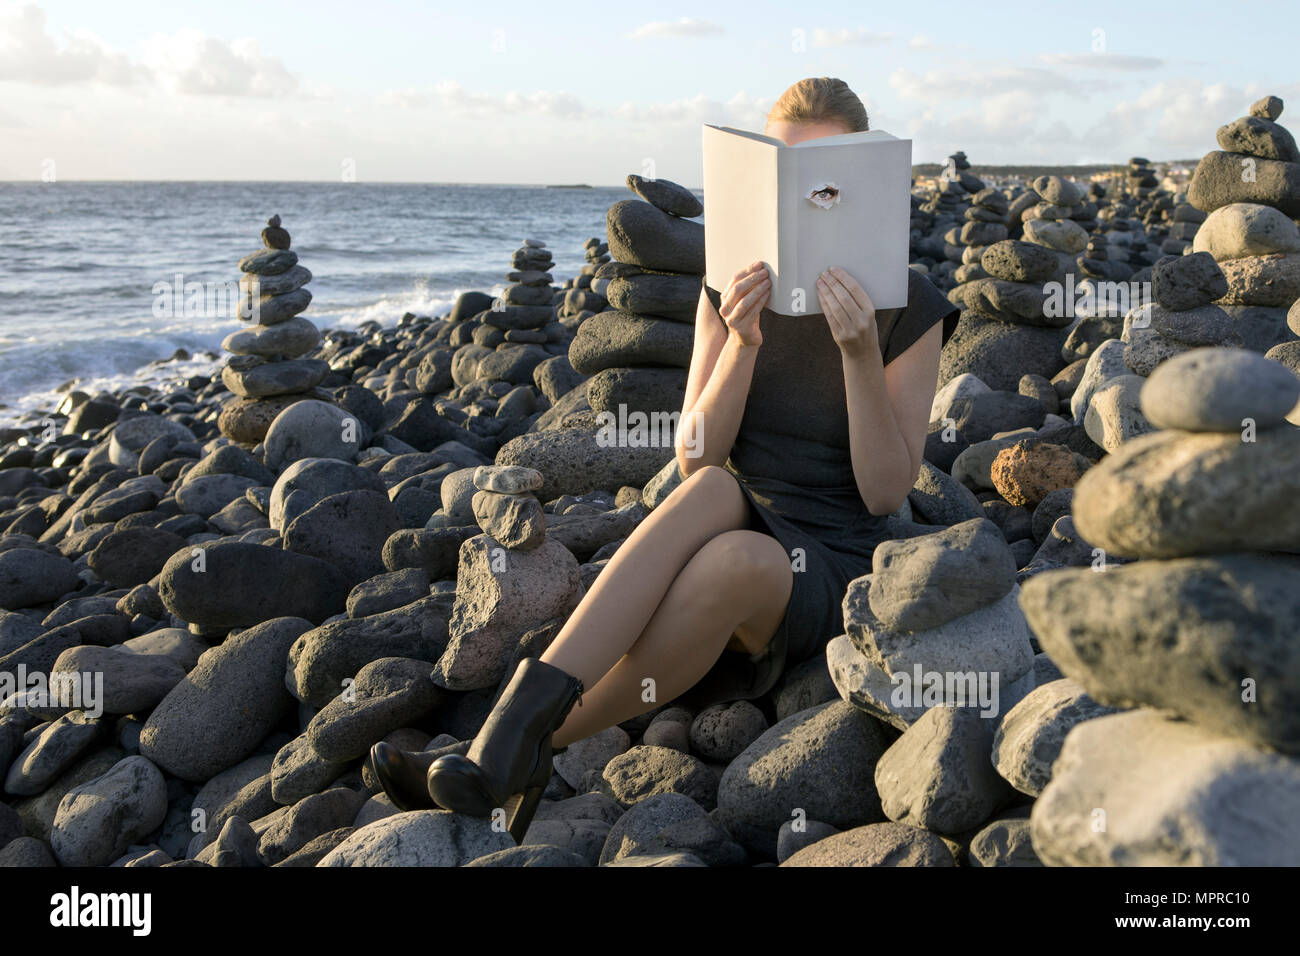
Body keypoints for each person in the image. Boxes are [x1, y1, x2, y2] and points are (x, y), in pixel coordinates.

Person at [369, 76, 960, 843]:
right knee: (713, 488)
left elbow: (885, 493)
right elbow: (693, 457)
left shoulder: (908, 302)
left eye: (822, 184)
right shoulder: (731, 287)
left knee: (735, 563)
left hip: (832, 552)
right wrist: (741, 344)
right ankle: (501, 748)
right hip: (731, 510)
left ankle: (527, 747)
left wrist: (855, 354)